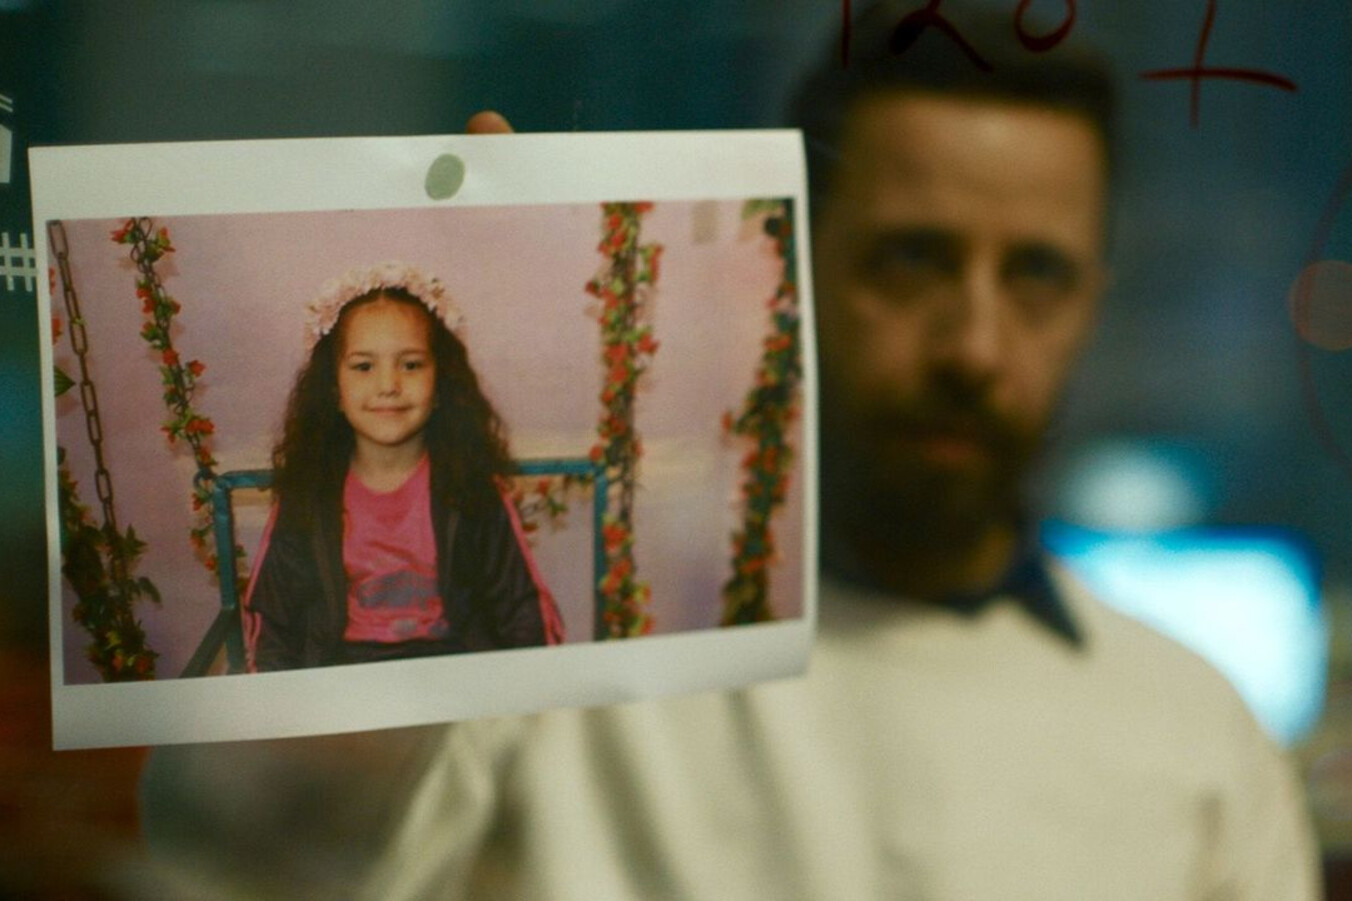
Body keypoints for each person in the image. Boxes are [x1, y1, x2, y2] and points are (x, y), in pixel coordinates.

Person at [139, 7, 1321, 899]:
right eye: (911, 259)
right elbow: (241, 849)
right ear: (782, 269)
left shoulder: (1197, 737)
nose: (972, 343)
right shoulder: (576, 663)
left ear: (1090, 302)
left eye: (1034, 274)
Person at [244, 261, 563, 671]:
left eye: (410, 364)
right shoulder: (308, 495)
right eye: (364, 366)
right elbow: (272, 624)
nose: (388, 385)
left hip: (455, 673)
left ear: (441, 384)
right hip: (345, 679)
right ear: (334, 390)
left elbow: (523, 611)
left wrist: (527, 691)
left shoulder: (473, 487)